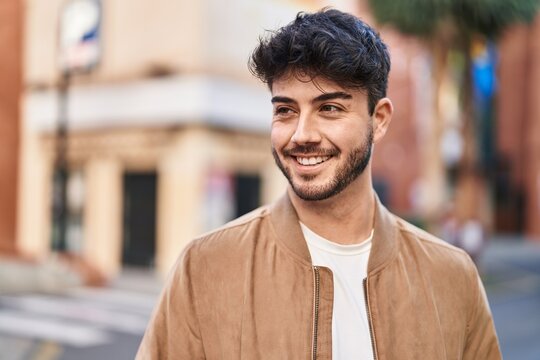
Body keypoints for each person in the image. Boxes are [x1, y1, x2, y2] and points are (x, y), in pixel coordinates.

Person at [137, 8, 501, 359]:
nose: (302, 134)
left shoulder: (453, 276)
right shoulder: (205, 268)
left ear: (380, 119)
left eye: (329, 108)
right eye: (285, 110)